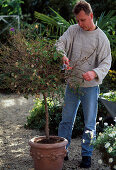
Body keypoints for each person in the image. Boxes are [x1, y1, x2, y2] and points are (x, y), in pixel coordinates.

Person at [55, 0, 112, 168]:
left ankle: (86, 155)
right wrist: (62, 55)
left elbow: (106, 62)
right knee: (66, 121)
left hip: (91, 88)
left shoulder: (101, 38)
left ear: (91, 16)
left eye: (83, 20)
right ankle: (62, 151)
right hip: (72, 85)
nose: (79, 24)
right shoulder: (73, 30)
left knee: (89, 123)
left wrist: (94, 72)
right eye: (77, 20)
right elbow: (60, 43)